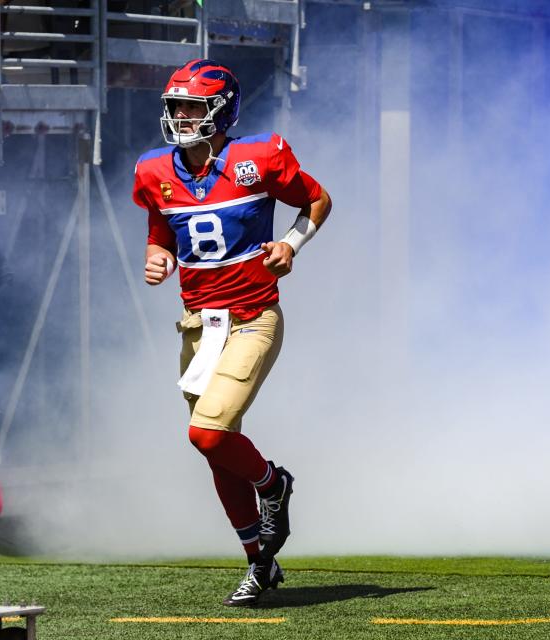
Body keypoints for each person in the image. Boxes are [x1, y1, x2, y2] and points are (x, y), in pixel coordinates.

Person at [132, 59, 332, 606]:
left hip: (252, 317)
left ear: (220, 111)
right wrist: (157, 257)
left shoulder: (258, 157)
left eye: (192, 106)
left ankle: (274, 483)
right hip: (199, 326)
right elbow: (159, 229)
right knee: (216, 450)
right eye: (175, 107)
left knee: (207, 433)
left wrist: (291, 243)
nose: (180, 116)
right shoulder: (154, 171)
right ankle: (259, 564)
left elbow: (318, 199)